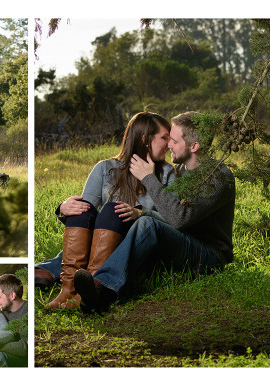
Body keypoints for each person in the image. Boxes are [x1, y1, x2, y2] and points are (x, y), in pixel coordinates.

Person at [73, 111, 236, 313]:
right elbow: (170, 217)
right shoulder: (183, 172)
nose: (168, 145)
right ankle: (59, 273)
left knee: (146, 223)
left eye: (174, 141)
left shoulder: (218, 176)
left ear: (194, 146)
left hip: (209, 255)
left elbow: (177, 219)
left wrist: (148, 178)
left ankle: (102, 290)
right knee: (124, 230)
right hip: (182, 242)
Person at [34, 112, 176, 310]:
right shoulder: (105, 168)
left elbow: (173, 220)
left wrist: (139, 212)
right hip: (104, 238)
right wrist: (64, 208)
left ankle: (89, 284)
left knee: (111, 209)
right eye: (165, 137)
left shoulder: (168, 173)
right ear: (145, 139)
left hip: (137, 246)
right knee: (83, 209)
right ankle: (68, 289)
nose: (169, 144)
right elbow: (85, 216)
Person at [0, 274, 28, 367]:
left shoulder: (29, 311)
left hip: (26, 361)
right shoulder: (0, 314)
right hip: (7, 356)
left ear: (12, 295)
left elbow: (26, 347)